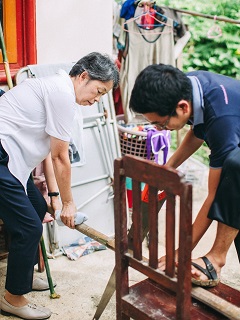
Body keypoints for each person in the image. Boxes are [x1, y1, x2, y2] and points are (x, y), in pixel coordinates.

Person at [0, 52, 119, 319]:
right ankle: (13, 298)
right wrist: (68, 203)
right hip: (1, 158)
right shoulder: (62, 94)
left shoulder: (55, 86)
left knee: (38, 206)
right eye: (98, 91)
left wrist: (54, 195)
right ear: (84, 76)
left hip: (11, 160)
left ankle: (25, 275)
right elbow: (60, 157)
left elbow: (47, 152)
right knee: (29, 226)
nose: (97, 99)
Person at [129, 63, 240, 288]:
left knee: (233, 182)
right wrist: (166, 169)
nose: (159, 130)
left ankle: (216, 259)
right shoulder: (187, 86)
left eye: (160, 123)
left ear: (181, 107)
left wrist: (181, 252)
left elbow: (214, 196)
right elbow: (197, 132)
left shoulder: (221, 120)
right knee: (234, 216)